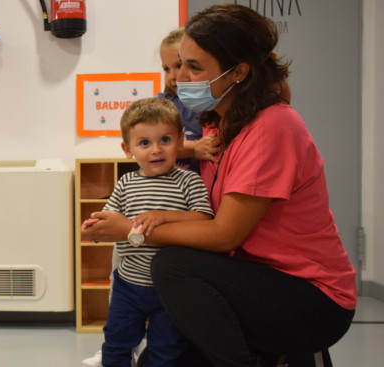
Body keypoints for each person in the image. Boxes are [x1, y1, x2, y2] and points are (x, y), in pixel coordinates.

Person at [83, 4, 356, 367]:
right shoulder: (219, 123)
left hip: (312, 300)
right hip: (252, 280)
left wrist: (134, 230)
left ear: (239, 72)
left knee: (173, 265)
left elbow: (225, 235)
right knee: (160, 356)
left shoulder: (270, 128)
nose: (179, 77)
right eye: (179, 63)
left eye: (194, 67)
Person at [85, 98, 214, 367]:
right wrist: (93, 226)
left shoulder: (189, 181)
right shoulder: (126, 183)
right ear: (127, 148)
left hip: (170, 290)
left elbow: (203, 218)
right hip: (128, 286)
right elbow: (109, 220)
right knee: (117, 341)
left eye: (165, 140)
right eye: (144, 143)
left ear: (180, 141)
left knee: (166, 349)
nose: (155, 150)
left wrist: (164, 216)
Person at [155, 27, 220, 174]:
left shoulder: (210, 103)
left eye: (178, 66)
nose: (172, 76)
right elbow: (152, 146)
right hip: (161, 184)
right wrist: (193, 149)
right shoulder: (161, 105)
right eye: (166, 69)